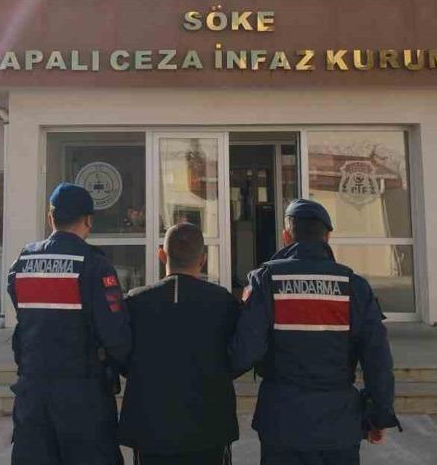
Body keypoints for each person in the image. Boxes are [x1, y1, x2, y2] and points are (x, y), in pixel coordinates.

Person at [230, 199, 400, 465]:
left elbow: (245, 352)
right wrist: (380, 415)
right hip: (339, 425)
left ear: (286, 236)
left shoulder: (265, 280)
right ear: (327, 237)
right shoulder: (354, 286)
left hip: (282, 423)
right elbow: (377, 360)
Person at [6, 183, 131, 465]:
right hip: (83, 397)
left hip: (32, 394)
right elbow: (115, 334)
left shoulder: (23, 261)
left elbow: (23, 317)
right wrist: (129, 367)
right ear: (88, 220)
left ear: (51, 217)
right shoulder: (95, 265)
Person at [119, 223, 240, 465]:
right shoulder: (224, 302)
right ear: (203, 259)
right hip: (209, 428)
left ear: (161, 255)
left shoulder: (136, 301)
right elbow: (241, 353)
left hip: (151, 429)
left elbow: (120, 351)